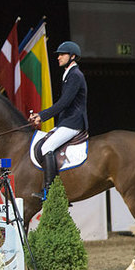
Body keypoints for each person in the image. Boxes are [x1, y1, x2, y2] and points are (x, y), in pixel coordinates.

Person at [28, 41, 88, 197]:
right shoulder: (68, 74)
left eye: (62, 54)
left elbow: (64, 102)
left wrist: (42, 116)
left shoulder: (75, 75)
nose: (59, 57)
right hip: (65, 121)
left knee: (46, 147)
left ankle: (50, 190)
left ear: (72, 56)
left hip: (73, 122)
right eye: (59, 54)